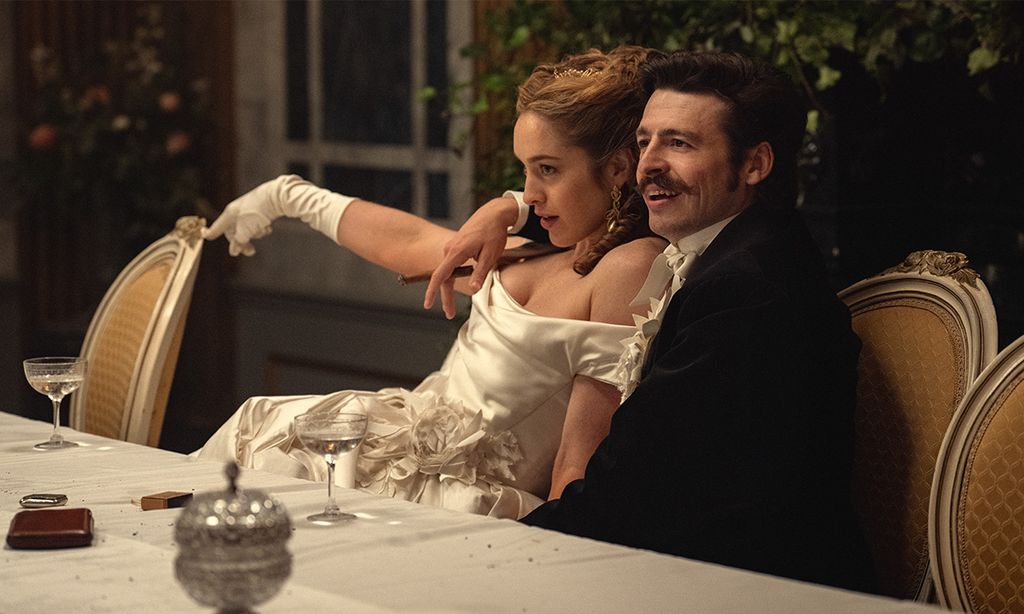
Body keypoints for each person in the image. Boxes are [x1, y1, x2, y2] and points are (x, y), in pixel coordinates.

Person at [426, 51, 876, 592]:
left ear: (755, 164)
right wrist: (510, 208)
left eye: (680, 143)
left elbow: (633, 492)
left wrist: (490, 559)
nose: (648, 165)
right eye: (644, 142)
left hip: (744, 588)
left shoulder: (748, 294)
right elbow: (593, 204)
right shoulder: (741, 245)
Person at [192, 46, 666, 520]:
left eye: (548, 169)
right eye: (526, 172)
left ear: (619, 168)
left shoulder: (628, 268)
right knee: (261, 436)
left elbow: (578, 464)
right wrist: (287, 196)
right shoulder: (540, 250)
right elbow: (409, 240)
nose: (530, 193)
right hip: (386, 457)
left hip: (446, 503)